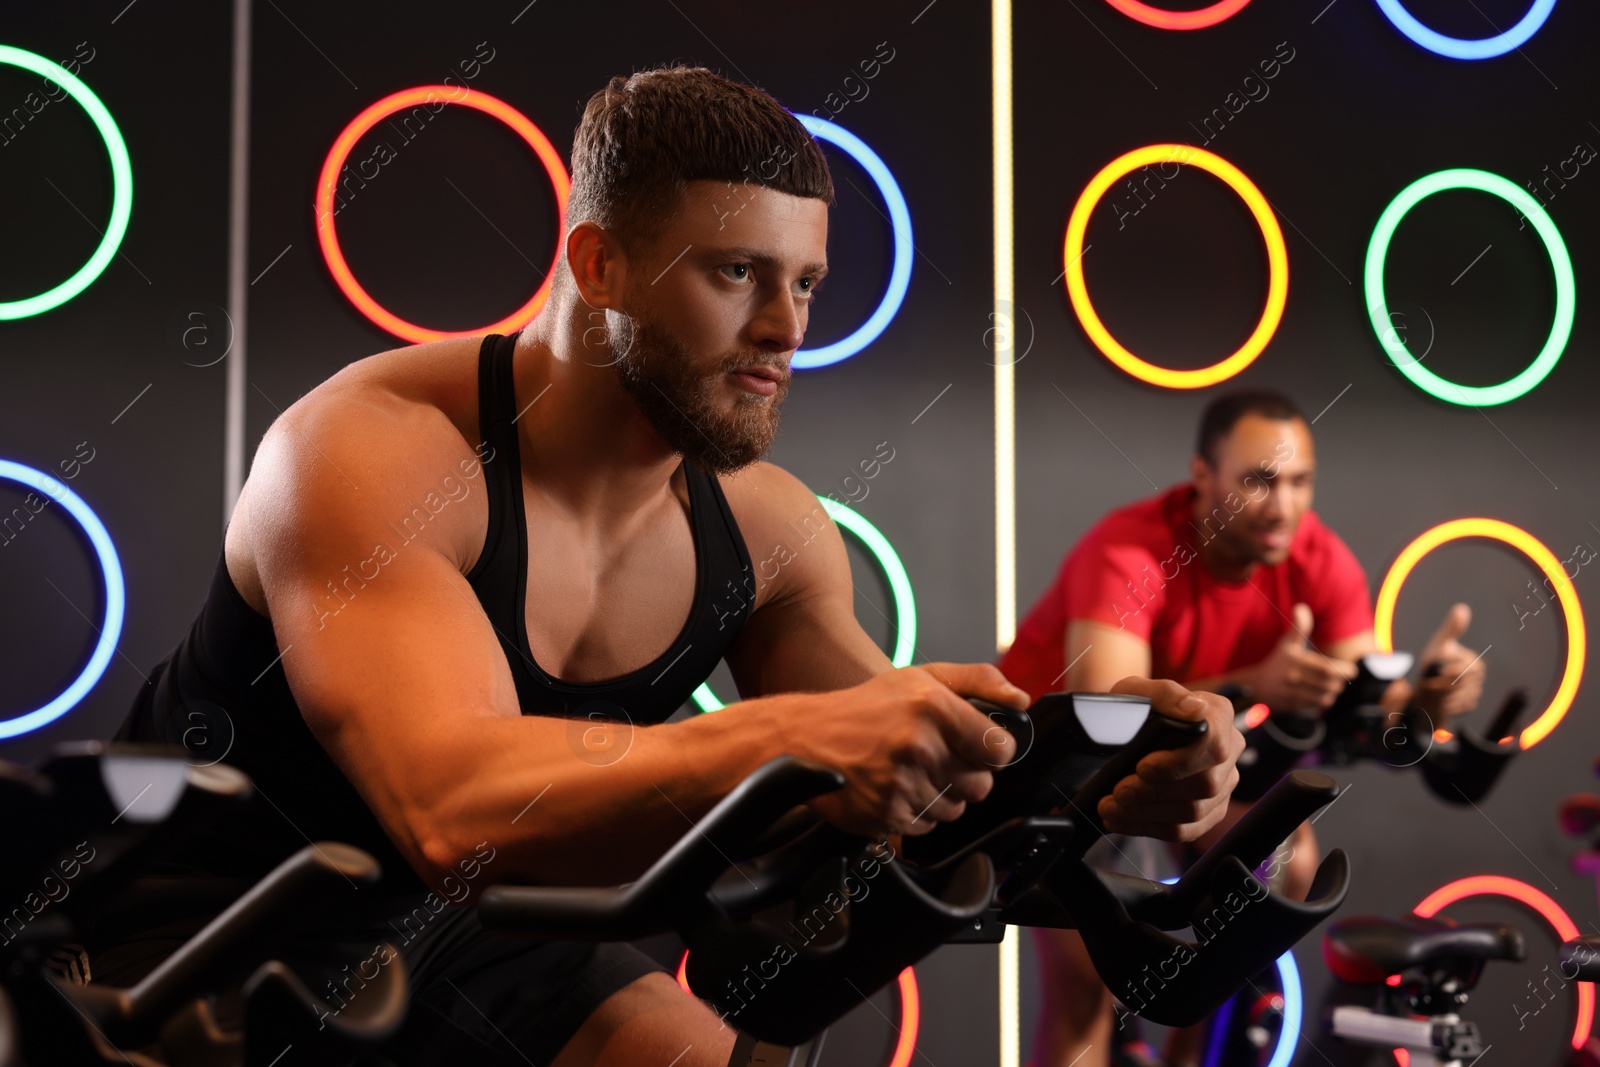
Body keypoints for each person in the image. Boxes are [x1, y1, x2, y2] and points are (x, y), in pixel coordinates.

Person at [96, 67, 1244, 1067]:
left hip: (472, 933)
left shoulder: (768, 529)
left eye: (805, 283)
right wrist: (790, 740)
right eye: (738, 272)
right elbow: (449, 805)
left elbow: (882, 755)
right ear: (599, 263)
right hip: (192, 938)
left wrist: (1083, 770)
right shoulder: (368, 455)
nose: (785, 327)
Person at [999, 389, 1487, 1067]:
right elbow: (1109, 714)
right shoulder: (1130, 550)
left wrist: (1429, 698)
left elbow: (1366, 700)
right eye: (1259, 480)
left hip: (1183, 771)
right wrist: (1253, 683)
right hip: (1061, 779)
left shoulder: (1316, 556)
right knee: (1087, 986)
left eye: (1299, 481)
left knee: (1283, 860)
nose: (1282, 504)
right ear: (1204, 477)